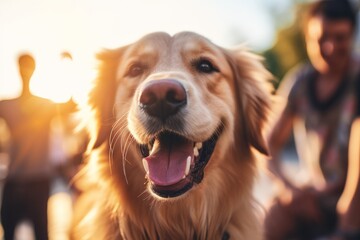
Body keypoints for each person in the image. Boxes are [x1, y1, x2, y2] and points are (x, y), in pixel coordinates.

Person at [264, 0, 359, 239]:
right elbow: (268, 145)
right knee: (271, 218)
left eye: (340, 38)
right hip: (317, 197)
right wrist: (290, 190)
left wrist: (348, 218)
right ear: (308, 39)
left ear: (352, 37)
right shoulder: (300, 82)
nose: (329, 47)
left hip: (354, 198)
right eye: (320, 39)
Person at [0, 53, 76, 240]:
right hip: (16, 180)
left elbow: (72, 105)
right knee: (9, 233)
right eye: (23, 66)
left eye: (27, 66)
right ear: (18, 69)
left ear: (33, 70)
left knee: (41, 234)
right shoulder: (7, 105)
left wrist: (69, 68)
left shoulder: (45, 105)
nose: (25, 71)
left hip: (38, 182)